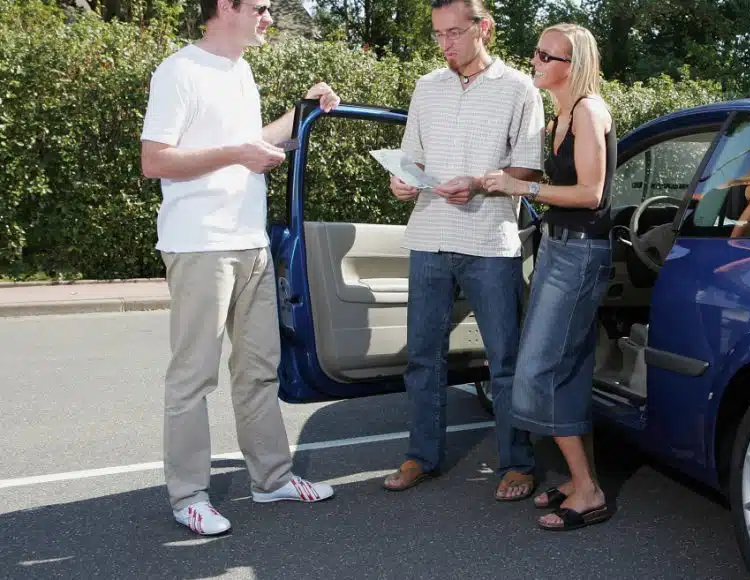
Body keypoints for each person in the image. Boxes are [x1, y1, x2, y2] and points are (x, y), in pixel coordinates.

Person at [140, 0, 341, 536]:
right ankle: (188, 497)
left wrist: (304, 110)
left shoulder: (242, 71)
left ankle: (271, 479)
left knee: (258, 370)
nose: (269, 16)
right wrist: (234, 154)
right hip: (201, 246)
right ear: (226, 6)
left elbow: (254, 145)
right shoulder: (179, 71)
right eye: (261, 7)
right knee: (193, 377)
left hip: (251, 242)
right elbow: (155, 160)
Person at [381, 0, 545, 502]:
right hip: (428, 238)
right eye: (438, 35)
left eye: (454, 33)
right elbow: (408, 162)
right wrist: (400, 183)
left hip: (490, 244)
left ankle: (517, 462)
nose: (445, 44)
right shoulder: (426, 88)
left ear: (484, 28)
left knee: (506, 361)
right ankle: (421, 457)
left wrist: (478, 184)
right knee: (423, 361)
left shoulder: (520, 89)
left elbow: (530, 174)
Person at [482, 22, 616, 531]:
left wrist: (525, 192)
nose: (534, 61)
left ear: (572, 64)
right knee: (569, 368)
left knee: (537, 369)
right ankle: (578, 477)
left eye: (546, 55)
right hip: (559, 249)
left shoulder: (587, 110)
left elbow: (591, 194)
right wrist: (499, 182)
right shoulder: (560, 115)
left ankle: (589, 491)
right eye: (536, 52)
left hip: (580, 255)